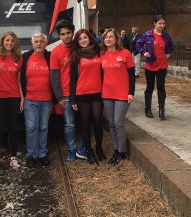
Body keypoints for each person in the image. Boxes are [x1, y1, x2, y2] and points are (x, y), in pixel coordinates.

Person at [50, 20, 87, 161]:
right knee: (70, 124)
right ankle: (71, 149)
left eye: (68, 33)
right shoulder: (56, 52)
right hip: (65, 94)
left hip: (83, 92)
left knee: (86, 122)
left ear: (73, 33)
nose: (66, 36)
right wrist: (59, 97)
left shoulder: (80, 48)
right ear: (59, 36)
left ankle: (83, 148)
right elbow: (54, 76)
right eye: (63, 34)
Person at [70, 29, 105, 164]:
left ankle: (99, 149)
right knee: (85, 124)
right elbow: (72, 79)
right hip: (82, 94)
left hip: (97, 92)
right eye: (80, 39)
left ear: (90, 38)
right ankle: (88, 152)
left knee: (97, 123)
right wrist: (73, 98)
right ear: (77, 42)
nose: (83, 40)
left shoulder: (98, 53)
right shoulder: (75, 56)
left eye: (85, 38)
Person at [100, 28, 135, 164]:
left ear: (116, 39)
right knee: (111, 123)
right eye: (106, 37)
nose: (108, 39)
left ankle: (122, 152)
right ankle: (116, 150)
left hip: (122, 93)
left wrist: (131, 92)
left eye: (111, 37)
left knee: (118, 122)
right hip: (107, 93)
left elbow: (132, 75)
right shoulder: (102, 54)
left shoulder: (125, 53)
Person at [0, 31, 24, 169]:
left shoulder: (18, 58)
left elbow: (18, 81)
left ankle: (13, 158)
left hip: (13, 96)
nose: (10, 43)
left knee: (12, 129)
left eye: (12, 41)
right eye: (7, 40)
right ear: (2, 41)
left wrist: (22, 98)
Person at [21, 33, 53, 168]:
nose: (39, 44)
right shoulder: (26, 57)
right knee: (32, 127)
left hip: (47, 99)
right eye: (36, 42)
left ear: (46, 44)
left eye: (41, 41)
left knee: (43, 127)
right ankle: (32, 154)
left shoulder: (50, 57)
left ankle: (42, 154)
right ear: (32, 43)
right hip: (30, 99)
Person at [136, 15, 174, 120]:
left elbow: (171, 46)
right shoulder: (147, 35)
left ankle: (162, 109)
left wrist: (169, 53)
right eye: (159, 23)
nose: (161, 25)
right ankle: (148, 109)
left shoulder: (166, 35)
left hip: (162, 64)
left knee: (161, 86)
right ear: (154, 23)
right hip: (150, 64)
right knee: (150, 87)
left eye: (163, 23)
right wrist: (144, 52)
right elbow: (138, 44)